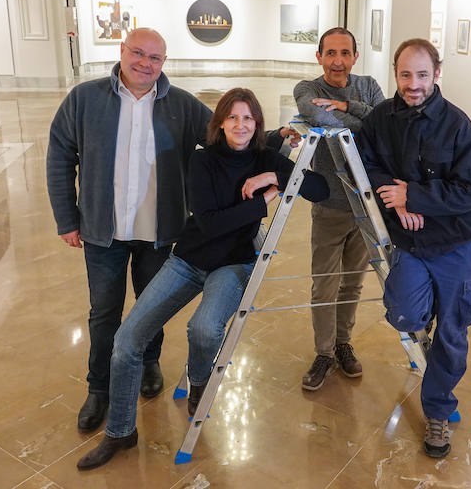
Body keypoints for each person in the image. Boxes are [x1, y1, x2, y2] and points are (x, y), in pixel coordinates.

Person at [46, 29, 298, 432]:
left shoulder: (180, 104)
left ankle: (148, 365)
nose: (145, 63)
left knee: (151, 306)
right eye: (138, 54)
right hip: (101, 231)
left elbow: (225, 134)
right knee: (104, 312)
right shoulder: (84, 99)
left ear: (164, 62)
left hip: (159, 231)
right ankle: (99, 388)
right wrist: (66, 218)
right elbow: (60, 155)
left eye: (155, 58)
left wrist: (275, 138)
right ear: (122, 52)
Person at [75, 88, 329, 470]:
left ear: (257, 123)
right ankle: (121, 432)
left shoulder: (266, 157)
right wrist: (262, 202)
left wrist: (272, 175)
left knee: (205, 329)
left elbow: (321, 189)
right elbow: (208, 223)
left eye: (248, 118)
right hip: (188, 260)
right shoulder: (202, 160)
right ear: (221, 122)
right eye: (233, 117)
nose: (240, 125)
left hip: (233, 264)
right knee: (127, 340)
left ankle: (198, 383)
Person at [357, 38, 471, 458]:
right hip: (412, 239)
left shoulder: (457, 124)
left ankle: (437, 410)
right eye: (404, 75)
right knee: (404, 314)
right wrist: (394, 200)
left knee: (452, 330)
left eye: (421, 74)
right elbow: (367, 161)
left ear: (437, 73)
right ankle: (431, 332)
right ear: (395, 74)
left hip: (456, 240)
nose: (413, 84)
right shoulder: (382, 118)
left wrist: (414, 196)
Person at [293, 27, 384, 390]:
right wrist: (363, 122)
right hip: (330, 204)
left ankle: (343, 343)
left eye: (345, 53)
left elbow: (384, 126)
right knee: (324, 285)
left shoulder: (368, 86)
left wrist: (347, 107)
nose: (338, 61)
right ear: (319, 56)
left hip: (365, 203)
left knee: (353, 283)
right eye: (330, 53)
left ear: (355, 57)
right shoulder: (308, 89)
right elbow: (316, 116)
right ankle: (324, 352)